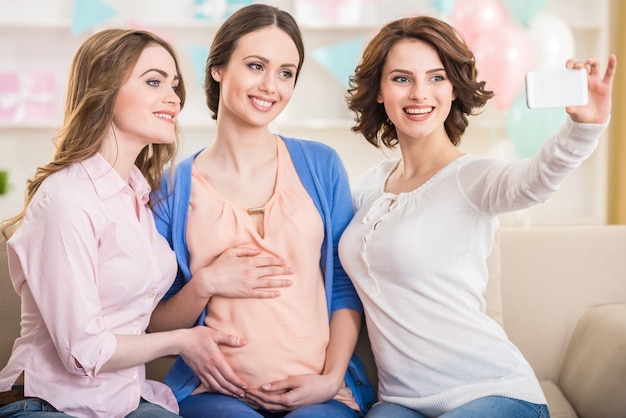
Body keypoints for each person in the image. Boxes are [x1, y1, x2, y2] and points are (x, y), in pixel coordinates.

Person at [338, 15, 616, 418]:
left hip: (492, 392)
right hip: (401, 403)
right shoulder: (369, 186)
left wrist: (582, 129)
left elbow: (535, 180)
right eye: (401, 78)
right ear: (380, 91)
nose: (420, 93)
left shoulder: (473, 177)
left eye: (436, 78)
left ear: (453, 89)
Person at [148, 4, 374, 418]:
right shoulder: (171, 188)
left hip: (319, 391)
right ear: (218, 68)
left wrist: (329, 377)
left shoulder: (320, 165)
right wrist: (207, 283)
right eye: (256, 66)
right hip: (214, 394)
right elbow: (151, 321)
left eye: (286, 73)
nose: (270, 86)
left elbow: (344, 283)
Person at [0, 28, 239, 418]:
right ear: (104, 89)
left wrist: (208, 283)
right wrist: (184, 341)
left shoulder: (139, 198)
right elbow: (83, 351)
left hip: (123, 402)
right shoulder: (66, 199)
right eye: (154, 81)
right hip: (48, 404)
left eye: (175, 85)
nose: (173, 98)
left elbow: (143, 314)